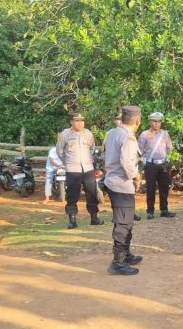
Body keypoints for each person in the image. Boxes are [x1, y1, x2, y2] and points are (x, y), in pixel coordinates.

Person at [104, 105, 144, 276]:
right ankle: (117, 262)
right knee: (123, 223)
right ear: (137, 120)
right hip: (122, 184)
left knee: (125, 220)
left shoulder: (113, 132)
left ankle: (125, 254)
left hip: (113, 182)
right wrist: (136, 176)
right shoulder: (128, 137)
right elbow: (127, 162)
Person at [56, 112, 104, 229]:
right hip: (73, 169)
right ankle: (72, 220)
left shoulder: (88, 133)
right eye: (77, 121)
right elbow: (60, 151)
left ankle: (94, 218)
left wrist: (88, 159)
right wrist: (68, 162)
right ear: (71, 122)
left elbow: (92, 148)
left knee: (92, 193)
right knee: (73, 195)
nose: (80, 123)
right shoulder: (64, 134)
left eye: (82, 121)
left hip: (88, 168)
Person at [138, 112, 175, 219]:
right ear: (150, 122)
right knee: (150, 188)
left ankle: (164, 210)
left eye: (159, 121)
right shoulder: (144, 134)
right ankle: (150, 211)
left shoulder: (165, 134)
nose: (156, 123)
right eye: (154, 121)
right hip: (150, 164)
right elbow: (139, 150)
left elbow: (169, 148)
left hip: (163, 164)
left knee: (164, 187)